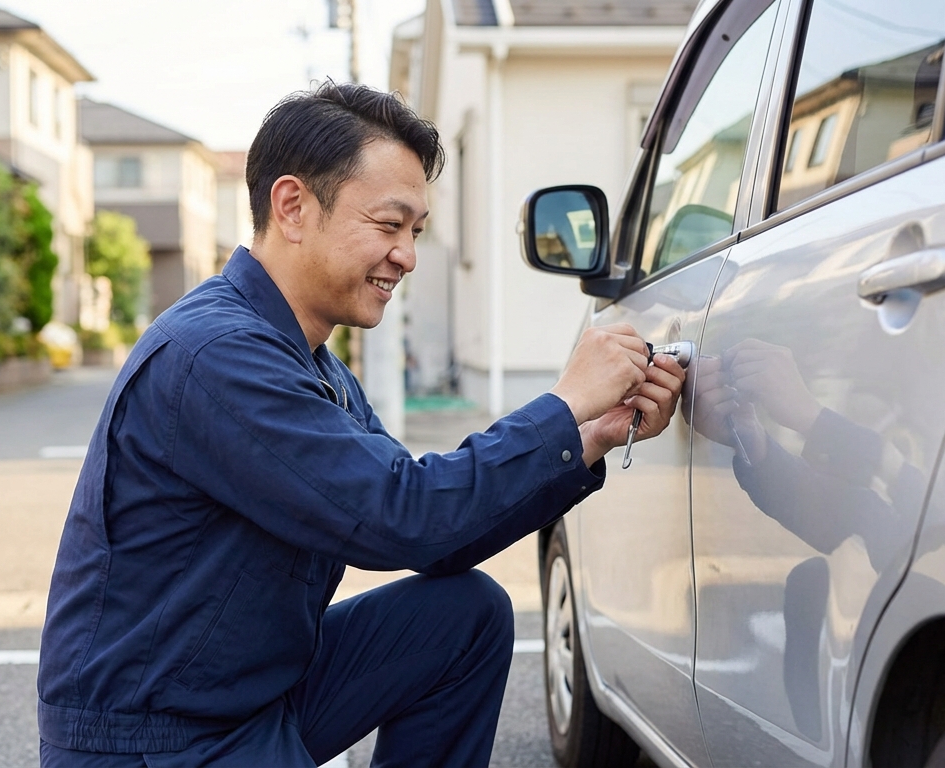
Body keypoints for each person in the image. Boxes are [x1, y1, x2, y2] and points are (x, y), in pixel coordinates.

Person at [37, 81, 685, 767]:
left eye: (416, 231)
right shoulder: (217, 355)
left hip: (251, 700)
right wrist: (562, 404)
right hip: (158, 741)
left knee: (463, 619)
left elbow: (435, 535)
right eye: (387, 224)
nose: (405, 254)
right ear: (292, 206)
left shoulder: (305, 356)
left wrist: (590, 435)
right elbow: (397, 516)